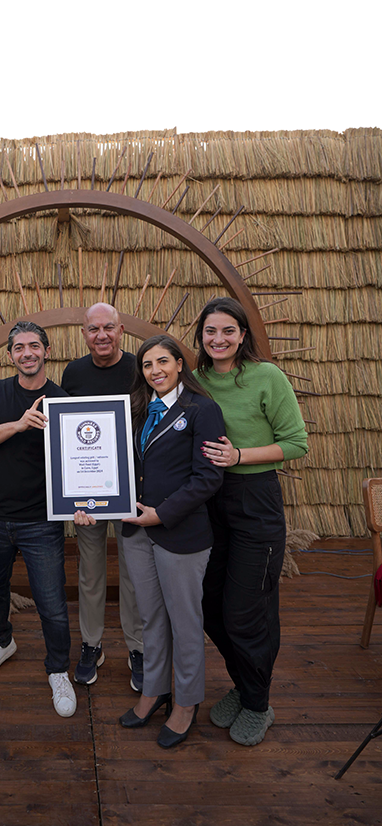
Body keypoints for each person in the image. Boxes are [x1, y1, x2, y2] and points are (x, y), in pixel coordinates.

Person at [77, 334, 224, 747]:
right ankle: (156, 691)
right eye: (147, 365)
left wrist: (162, 513)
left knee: (185, 622)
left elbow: (209, 478)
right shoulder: (139, 410)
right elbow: (112, 467)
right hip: (136, 531)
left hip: (180, 533)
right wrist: (87, 499)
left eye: (163, 362)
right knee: (151, 619)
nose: (155, 371)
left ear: (180, 364)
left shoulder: (202, 410)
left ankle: (187, 702)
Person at [195, 297, 308, 746]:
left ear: (243, 335)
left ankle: (258, 702)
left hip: (255, 498)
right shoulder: (197, 380)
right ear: (200, 337)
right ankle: (243, 686)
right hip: (209, 501)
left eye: (227, 331)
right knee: (209, 605)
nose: (218, 339)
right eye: (210, 332)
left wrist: (239, 455)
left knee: (247, 612)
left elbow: (296, 443)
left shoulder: (268, 377)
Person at [0, 320, 76, 717]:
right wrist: (19, 423)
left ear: (46, 351)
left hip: (41, 521)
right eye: (19, 348)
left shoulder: (63, 400)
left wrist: (86, 501)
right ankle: (0, 643)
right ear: (10, 355)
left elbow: (78, 463)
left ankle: (58, 670)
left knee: (52, 603)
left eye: (34, 346)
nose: (27, 353)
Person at [61, 302, 143, 690]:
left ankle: (138, 648)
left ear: (121, 329)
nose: (101, 336)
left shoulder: (141, 368)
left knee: (134, 572)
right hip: (88, 496)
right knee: (90, 572)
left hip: (133, 491)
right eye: (93, 330)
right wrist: (71, 494)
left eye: (108, 328)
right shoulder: (73, 373)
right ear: (84, 334)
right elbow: (67, 437)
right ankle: (92, 644)